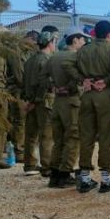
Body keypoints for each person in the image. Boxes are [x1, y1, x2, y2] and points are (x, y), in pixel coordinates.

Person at [66, 20, 110, 193]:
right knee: (106, 137)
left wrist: (82, 79)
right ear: (109, 34)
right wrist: (106, 80)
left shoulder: (84, 50)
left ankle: (85, 178)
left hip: (88, 94)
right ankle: (106, 179)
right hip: (106, 94)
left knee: (86, 136)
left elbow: (68, 65)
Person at [45, 27, 85, 188]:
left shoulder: (54, 57)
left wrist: (54, 87)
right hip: (72, 101)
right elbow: (79, 79)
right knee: (73, 138)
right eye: (82, 39)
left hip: (57, 102)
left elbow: (42, 77)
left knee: (59, 139)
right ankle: (65, 173)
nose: (84, 42)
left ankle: (54, 174)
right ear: (75, 40)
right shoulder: (75, 58)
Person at [22, 30, 57, 176]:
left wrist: (29, 101)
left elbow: (24, 82)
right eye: (54, 42)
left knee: (31, 135)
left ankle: (30, 165)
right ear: (50, 43)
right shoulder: (48, 61)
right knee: (47, 135)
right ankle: (47, 166)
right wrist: (36, 100)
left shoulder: (29, 60)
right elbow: (45, 84)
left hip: (30, 101)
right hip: (44, 101)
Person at [5, 30, 37, 164]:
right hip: (17, 90)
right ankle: (19, 152)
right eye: (33, 42)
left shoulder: (24, 51)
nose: (34, 46)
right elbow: (19, 76)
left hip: (21, 89)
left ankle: (18, 149)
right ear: (29, 39)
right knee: (20, 120)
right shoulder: (15, 52)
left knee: (19, 120)